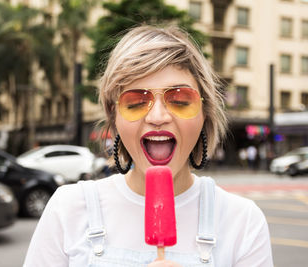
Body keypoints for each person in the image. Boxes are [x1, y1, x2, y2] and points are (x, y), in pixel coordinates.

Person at [23, 25, 273, 267]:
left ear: (204, 115)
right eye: (135, 102)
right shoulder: (68, 209)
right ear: (114, 117)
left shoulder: (242, 222)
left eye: (179, 100)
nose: (157, 116)